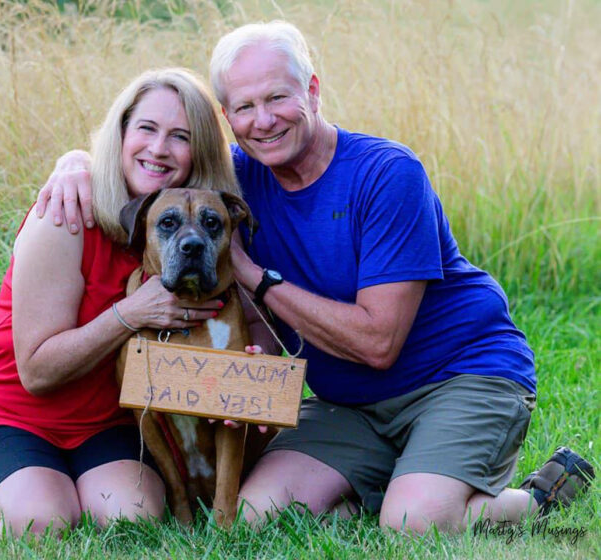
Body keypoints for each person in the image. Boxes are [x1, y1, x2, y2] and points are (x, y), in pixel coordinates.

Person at [37, 22, 594, 533]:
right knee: (258, 518)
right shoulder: (238, 181)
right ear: (228, 119)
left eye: (278, 97)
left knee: (414, 524)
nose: (265, 119)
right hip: (346, 404)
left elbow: (378, 343)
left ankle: (536, 498)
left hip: (458, 376)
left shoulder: (387, 174)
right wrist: (76, 163)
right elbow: (156, 168)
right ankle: (398, 482)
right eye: (245, 106)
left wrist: (252, 274)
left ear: (312, 91)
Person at [0, 68, 240, 536]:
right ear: (120, 134)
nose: (159, 148)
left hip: (104, 423)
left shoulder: (187, 229)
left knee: (135, 517)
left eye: (180, 137)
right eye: (146, 128)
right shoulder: (65, 213)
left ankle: (54, 484)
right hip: (9, 414)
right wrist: (129, 314)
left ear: (199, 152)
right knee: (45, 520)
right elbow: (37, 372)